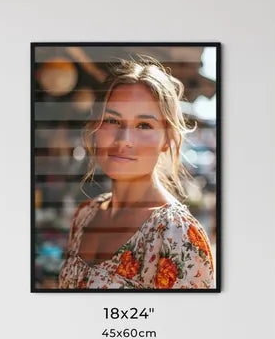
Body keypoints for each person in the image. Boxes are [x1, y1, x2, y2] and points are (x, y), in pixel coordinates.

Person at [58, 58, 215, 289]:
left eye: (144, 125)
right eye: (112, 120)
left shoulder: (177, 234)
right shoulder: (85, 216)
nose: (124, 140)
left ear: (167, 139)